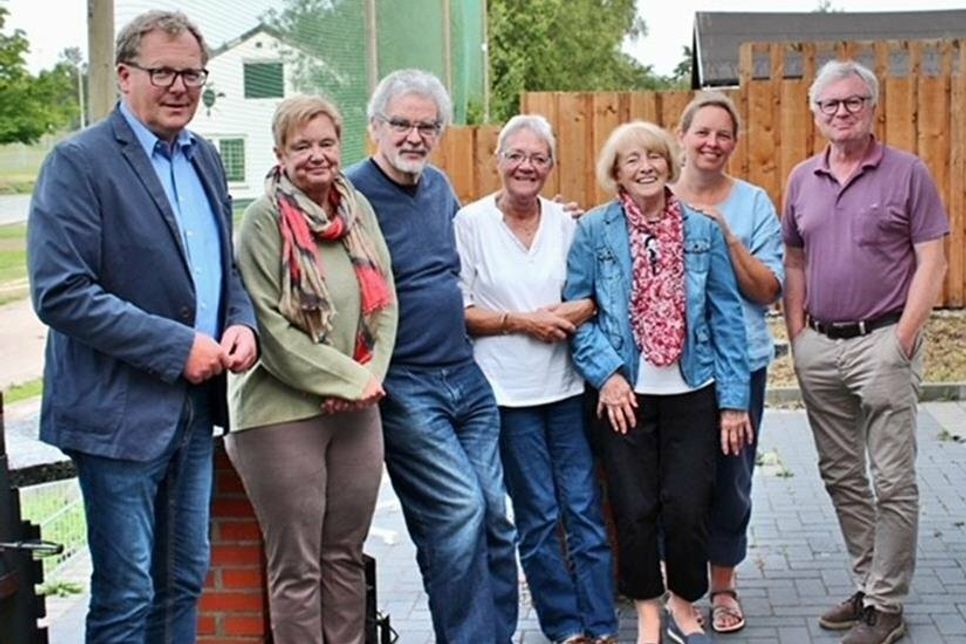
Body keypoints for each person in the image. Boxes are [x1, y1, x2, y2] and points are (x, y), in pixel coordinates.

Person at [26, 10, 258, 642]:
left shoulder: (204, 156)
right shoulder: (78, 162)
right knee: (128, 595)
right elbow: (61, 292)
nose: (180, 86)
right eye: (164, 72)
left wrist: (242, 325)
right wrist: (178, 345)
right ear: (125, 75)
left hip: (193, 409)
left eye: (192, 73)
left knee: (184, 581)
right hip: (117, 417)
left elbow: (223, 269)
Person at [345, 69, 518, 643]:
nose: (414, 136)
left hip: (466, 376)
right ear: (376, 127)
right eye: (402, 124)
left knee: (494, 513)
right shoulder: (350, 193)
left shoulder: (440, 186)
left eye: (427, 126)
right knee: (459, 513)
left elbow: (475, 249)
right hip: (406, 384)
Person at [564, 120, 751, 644]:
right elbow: (580, 313)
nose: (645, 166)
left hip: (693, 391)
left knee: (689, 504)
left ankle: (684, 601)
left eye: (653, 156)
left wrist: (734, 402)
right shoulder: (595, 230)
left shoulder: (703, 230)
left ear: (670, 163)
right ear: (616, 173)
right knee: (634, 506)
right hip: (626, 396)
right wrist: (607, 377)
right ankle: (648, 608)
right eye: (631, 160)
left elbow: (726, 317)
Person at [782, 59, 948, 644]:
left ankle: (887, 608)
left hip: (883, 341)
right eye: (830, 104)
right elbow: (795, 260)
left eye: (853, 102)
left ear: (872, 108)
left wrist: (903, 338)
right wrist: (797, 336)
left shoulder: (908, 173)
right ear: (816, 113)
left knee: (893, 479)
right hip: (819, 346)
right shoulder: (802, 178)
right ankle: (871, 584)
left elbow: (933, 259)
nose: (841, 112)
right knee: (841, 475)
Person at [225, 95, 397, 644]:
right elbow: (273, 333)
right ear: (280, 152)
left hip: (358, 409)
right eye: (302, 146)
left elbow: (384, 301)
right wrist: (347, 380)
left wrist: (366, 383)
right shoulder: (262, 220)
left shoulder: (357, 209)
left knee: (344, 556)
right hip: (280, 415)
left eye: (326, 143)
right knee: (297, 567)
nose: (317, 156)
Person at [454, 114, 618, 644]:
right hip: (506, 394)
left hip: (567, 388)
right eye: (516, 155)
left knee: (584, 509)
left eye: (538, 158)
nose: (526, 166)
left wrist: (568, 316)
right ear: (497, 160)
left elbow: (592, 297)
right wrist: (522, 321)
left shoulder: (568, 223)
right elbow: (462, 310)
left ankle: (602, 625)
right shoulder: (470, 224)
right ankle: (565, 628)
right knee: (539, 517)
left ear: (551, 166)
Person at [671, 91, 784, 634]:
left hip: (743, 363)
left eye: (722, 135)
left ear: (734, 144)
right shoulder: (657, 197)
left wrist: (727, 236)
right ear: (682, 136)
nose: (711, 143)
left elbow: (768, 290)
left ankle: (723, 585)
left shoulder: (754, 202)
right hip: (672, 370)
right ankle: (679, 589)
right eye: (702, 132)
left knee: (731, 480)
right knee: (676, 482)